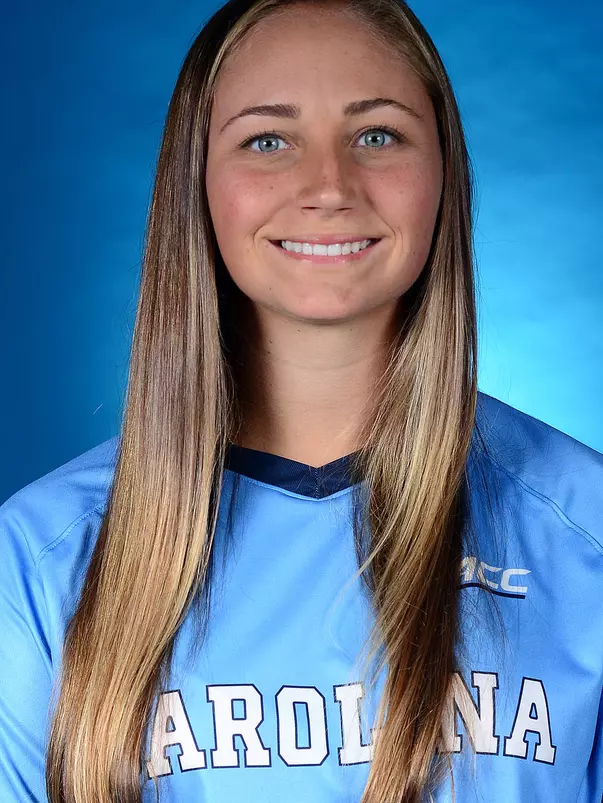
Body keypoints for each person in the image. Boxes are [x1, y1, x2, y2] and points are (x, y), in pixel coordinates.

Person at [0, 0, 601, 801]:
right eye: (267, 140)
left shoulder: (585, 529)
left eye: (376, 134)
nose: (328, 185)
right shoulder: (38, 561)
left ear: (443, 173)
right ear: (198, 183)